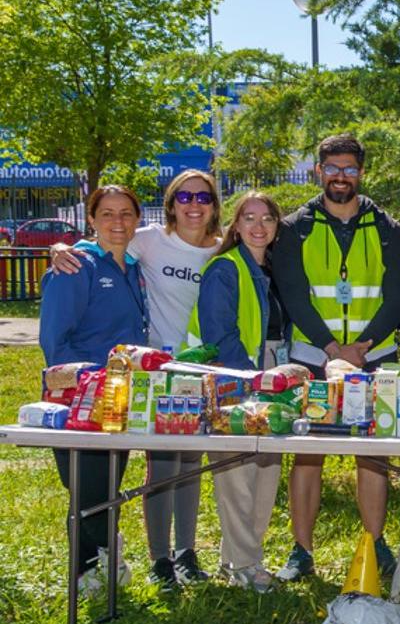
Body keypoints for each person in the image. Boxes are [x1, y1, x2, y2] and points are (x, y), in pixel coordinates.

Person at [51, 170, 223, 587]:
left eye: (203, 196)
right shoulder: (136, 245)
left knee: (175, 468)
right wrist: (60, 247)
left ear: (215, 205)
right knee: (127, 475)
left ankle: (172, 554)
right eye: (184, 195)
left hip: (178, 378)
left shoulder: (218, 248)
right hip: (116, 387)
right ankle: (129, 563)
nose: (194, 203)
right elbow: (56, 339)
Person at [272, 133, 400, 581]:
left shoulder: (389, 229)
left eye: (349, 169)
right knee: (308, 452)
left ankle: (375, 542)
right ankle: (302, 550)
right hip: (314, 356)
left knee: (372, 454)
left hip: (375, 355)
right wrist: (334, 351)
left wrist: (361, 349)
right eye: (332, 169)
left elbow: (397, 297)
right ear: (319, 172)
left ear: (361, 173)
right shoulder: (295, 227)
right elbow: (294, 296)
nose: (340, 177)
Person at [40, 185, 147, 596]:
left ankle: (104, 560)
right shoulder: (75, 267)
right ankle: (87, 574)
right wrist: (88, 387)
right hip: (81, 401)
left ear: (138, 220)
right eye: (107, 214)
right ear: (91, 220)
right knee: (88, 487)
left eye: (126, 214)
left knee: (106, 484)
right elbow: (54, 342)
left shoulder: (133, 268)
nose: (117, 222)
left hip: (120, 399)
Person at [187, 192, 285, 592]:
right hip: (233, 381)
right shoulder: (224, 269)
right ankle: (246, 563)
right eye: (249, 218)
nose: (258, 227)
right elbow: (218, 334)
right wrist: (252, 384)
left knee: (266, 474)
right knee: (237, 477)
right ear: (236, 225)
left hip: (274, 379)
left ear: (278, 226)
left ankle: (239, 561)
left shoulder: (276, 270)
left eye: (267, 219)